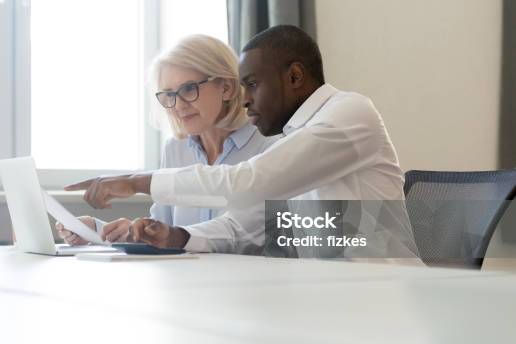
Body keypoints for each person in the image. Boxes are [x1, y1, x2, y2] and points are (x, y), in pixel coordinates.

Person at [65, 25, 420, 260]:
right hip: (326, 293)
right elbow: (245, 225)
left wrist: (137, 181)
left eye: (252, 84)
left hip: (379, 294)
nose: (244, 98)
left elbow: (248, 181)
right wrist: (175, 236)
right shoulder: (292, 134)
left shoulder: (349, 114)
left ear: (294, 76)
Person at [56, 34, 277, 245]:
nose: (179, 105)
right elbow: (163, 232)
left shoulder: (270, 145)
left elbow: (259, 237)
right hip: (184, 280)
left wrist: (171, 236)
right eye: (169, 94)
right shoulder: (176, 149)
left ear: (227, 88)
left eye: (189, 89)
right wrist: (99, 230)